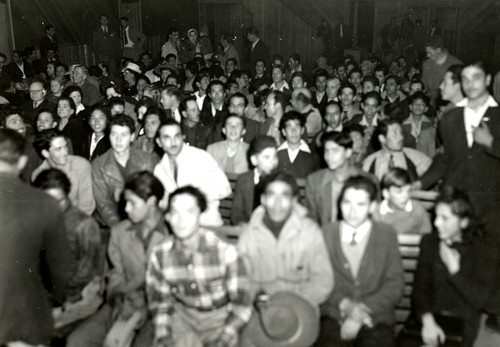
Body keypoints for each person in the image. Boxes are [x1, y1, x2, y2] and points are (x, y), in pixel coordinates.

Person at [67, 171, 168, 347]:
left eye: (132, 203)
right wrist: (119, 296)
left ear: (152, 202)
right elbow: (116, 273)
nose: (126, 208)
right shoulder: (119, 232)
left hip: (161, 310)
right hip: (124, 302)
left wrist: (145, 305)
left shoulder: (174, 231)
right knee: (77, 341)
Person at [145, 185, 253, 346]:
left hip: (220, 319)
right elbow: (161, 303)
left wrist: (224, 339)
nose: (181, 220)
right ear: (167, 217)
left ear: (201, 216)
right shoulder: (159, 255)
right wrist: (164, 337)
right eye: (175, 212)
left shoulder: (226, 252)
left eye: (189, 212)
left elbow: (241, 306)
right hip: (182, 319)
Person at [238, 171, 334, 342]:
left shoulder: (309, 231)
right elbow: (241, 279)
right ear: (262, 199)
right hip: (263, 314)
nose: (277, 203)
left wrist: (294, 301)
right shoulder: (249, 235)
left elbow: (324, 279)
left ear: (294, 201)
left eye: (284, 196)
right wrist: (256, 295)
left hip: (300, 314)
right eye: (271, 195)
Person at [400, 187, 499, 347]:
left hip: (460, 327)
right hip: (427, 321)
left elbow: (483, 301)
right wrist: (428, 321)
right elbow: (420, 290)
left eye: (445, 218)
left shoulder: (482, 251)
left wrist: (455, 272)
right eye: (436, 216)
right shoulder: (430, 243)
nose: (436, 222)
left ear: (464, 222)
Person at [0, 129, 71, 346]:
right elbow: (61, 267)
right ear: (22, 162)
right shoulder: (45, 203)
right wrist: (59, 298)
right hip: (23, 316)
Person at [417, 60, 500, 245]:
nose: (470, 84)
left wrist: (491, 143)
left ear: (487, 80)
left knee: (487, 259)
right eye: (465, 79)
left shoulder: (498, 115)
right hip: (455, 202)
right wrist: (420, 183)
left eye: (476, 78)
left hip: (490, 203)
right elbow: (445, 158)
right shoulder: (450, 117)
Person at [317, 175, 405, 346]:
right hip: (334, 314)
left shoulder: (386, 235)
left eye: (361, 204)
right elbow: (320, 280)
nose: (352, 211)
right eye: (347, 203)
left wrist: (360, 312)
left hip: (375, 317)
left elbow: (395, 284)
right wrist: (346, 305)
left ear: (372, 206)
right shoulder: (327, 233)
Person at [32, 168, 104, 333]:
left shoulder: (84, 225)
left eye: (60, 200)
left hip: (74, 295)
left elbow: (86, 272)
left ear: (68, 195)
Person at [154, 119, 231, 227]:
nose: (173, 142)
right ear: (159, 142)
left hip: (206, 223)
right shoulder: (159, 169)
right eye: (167, 138)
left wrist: (193, 198)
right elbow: (162, 202)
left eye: (177, 136)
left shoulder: (200, 157)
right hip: (177, 227)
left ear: (183, 137)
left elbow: (225, 188)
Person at [92, 114, 157, 227]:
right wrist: (120, 227)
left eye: (124, 135)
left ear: (132, 137)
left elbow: (153, 197)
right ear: (109, 136)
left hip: (145, 219)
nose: (118, 140)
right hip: (112, 223)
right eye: (114, 134)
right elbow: (104, 204)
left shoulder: (146, 159)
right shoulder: (98, 165)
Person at [306, 131, 369, 227]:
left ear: (348, 153)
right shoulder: (314, 180)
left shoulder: (367, 180)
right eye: (326, 151)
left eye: (335, 151)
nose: (328, 156)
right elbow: (311, 218)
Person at [363, 119, 432, 181]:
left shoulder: (412, 156)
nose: (401, 137)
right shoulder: (371, 161)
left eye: (401, 133)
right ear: (382, 138)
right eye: (395, 134)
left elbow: (431, 166)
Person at [231, 136, 278, 225]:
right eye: (267, 157)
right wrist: (243, 225)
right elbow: (236, 213)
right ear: (254, 160)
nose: (272, 162)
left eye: (275, 156)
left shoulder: (282, 180)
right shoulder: (244, 180)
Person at [372, 168, 431, 235]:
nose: (405, 196)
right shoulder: (377, 213)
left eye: (408, 191)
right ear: (386, 194)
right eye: (399, 191)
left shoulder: (418, 209)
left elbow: (427, 237)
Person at [277, 111, 319, 179]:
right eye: (289, 127)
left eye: (297, 127)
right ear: (284, 132)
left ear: (302, 130)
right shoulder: (276, 155)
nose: (293, 131)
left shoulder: (313, 157)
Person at [422, 36, 462, 107]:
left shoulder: (457, 65)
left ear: (438, 50)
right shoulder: (426, 64)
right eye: (427, 52)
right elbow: (424, 86)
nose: (428, 55)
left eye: (430, 52)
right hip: (429, 105)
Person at [402, 91, 436, 157]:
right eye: (415, 104)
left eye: (422, 104)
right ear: (410, 107)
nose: (418, 106)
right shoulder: (402, 124)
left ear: (426, 108)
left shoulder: (432, 123)